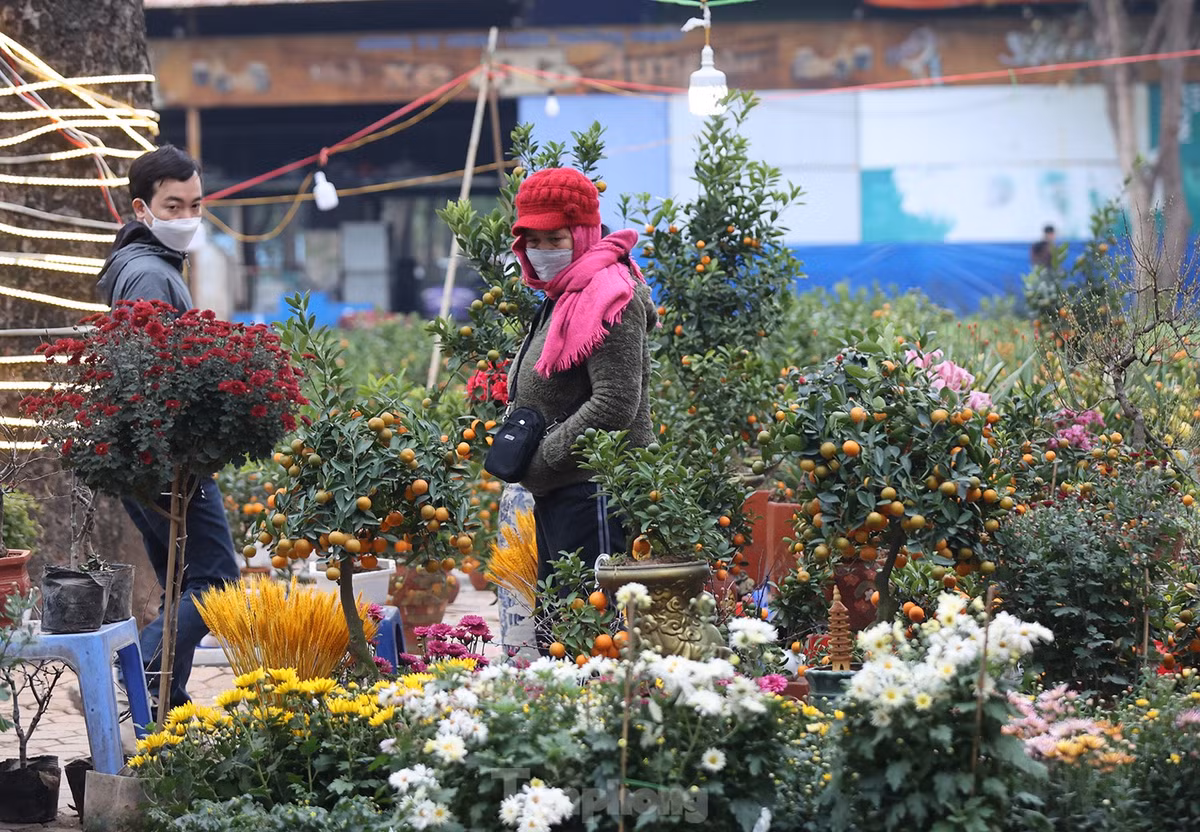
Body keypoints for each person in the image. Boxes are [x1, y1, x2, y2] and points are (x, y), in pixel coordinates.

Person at [95, 144, 241, 709]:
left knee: (183, 582)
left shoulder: (142, 267)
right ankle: (142, 661)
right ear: (141, 208)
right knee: (215, 581)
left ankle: (163, 715)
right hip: (165, 454)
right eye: (172, 205)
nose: (187, 217)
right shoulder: (150, 275)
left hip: (148, 453)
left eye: (195, 204)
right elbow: (148, 376)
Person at [507, 167, 657, 596]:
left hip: (596, 492)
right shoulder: (565, 294)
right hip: (563, 489)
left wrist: (543, 459)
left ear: (584, 233)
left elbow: (614, 402)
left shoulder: (608, 296)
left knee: (594, 630)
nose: (541, 251)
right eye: (532, 241)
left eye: (554, 240)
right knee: (560, 624)